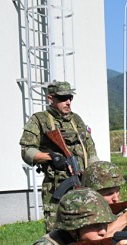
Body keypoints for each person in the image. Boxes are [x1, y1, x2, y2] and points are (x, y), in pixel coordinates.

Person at [20, 81, 100, 231]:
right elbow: (27, 150)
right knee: (56, 230)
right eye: (63, 98)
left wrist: (96, 175)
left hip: (81, 183)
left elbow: (91, 150)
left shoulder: (76, 120)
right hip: (56, 188)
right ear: (51, 99)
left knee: (86, 226)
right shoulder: (39, 120)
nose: (68, 102)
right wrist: (52, 157)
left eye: (70, 98)